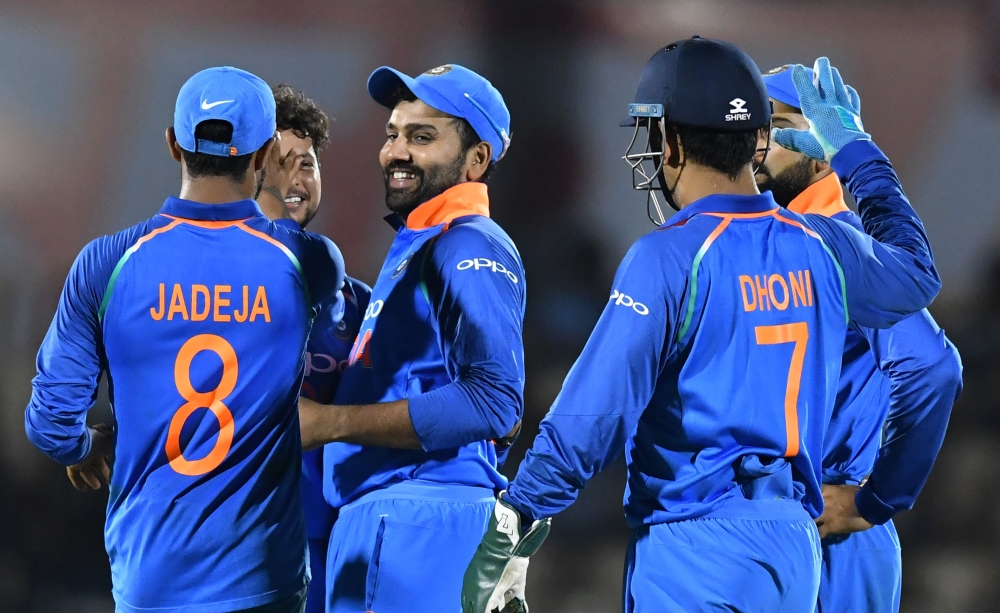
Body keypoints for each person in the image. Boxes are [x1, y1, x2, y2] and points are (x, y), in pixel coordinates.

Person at [462, 39, 942, 613]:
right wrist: (856, 152)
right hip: (793, 549)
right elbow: (917, 275)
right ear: (759, 140)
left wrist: (518, 517)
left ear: (670, 142)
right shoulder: (824, 242)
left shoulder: (667, 256)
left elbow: (591, 416)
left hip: (695, 549)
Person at [24, 66, 344, 613]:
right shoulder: (310, 261)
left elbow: (51, 425)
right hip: (265, 580)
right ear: (265, 154)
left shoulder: (106, 263)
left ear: (173, 144)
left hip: (151, 579)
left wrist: (90, 446)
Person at [295, 63, 524, 613]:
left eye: (421, 137)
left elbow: (497, 401)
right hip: (403, 519)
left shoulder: (466, 244)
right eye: (392, 134)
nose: (396, 152)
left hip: (416, 521)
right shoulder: (425, 246)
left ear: (476, 159)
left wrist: (328, 423)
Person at [758, 64, 963, 613]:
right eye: (754, 127)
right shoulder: (763, 241)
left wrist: (873, 501)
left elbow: (933, 367)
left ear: (823, 150)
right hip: (762, 524)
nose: (758, 143)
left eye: (778, 127)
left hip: (829, 534)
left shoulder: (841, 247)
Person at [256, 84, 372, 613]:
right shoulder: (207, 287)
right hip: (234, 542)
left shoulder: (362, 303)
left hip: (328, 546)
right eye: (277, 164)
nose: (294, 180)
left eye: (306, 163)